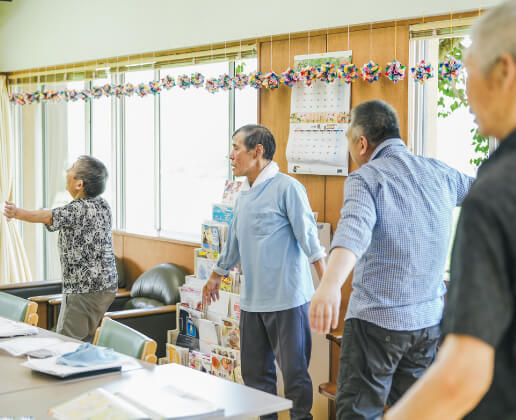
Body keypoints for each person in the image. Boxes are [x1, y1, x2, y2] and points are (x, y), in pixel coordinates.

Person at [384, 3, 516, 419]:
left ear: (504, 72)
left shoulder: (496, 193)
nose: (463, 90)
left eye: (467, 71)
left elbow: (464, 373)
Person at [309, 100, 474, 420]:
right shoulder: (440, 173)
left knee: (358, 414)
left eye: (348, 139)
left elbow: (352, 233)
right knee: (417, 413)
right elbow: (485, 192)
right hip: (427, 324)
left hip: (376, 324)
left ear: (361, 143)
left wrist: (329, 285)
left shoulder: (367, 177)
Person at [203, 124, 326, 420]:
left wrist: (326, 288)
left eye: (236, 148)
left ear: (257, 152)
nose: (231, 155)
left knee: (295, 376)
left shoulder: (288, 187)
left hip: (288, 299)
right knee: (256, 377)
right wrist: (216, 275)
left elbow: (311, 241)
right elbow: (234, 239)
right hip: (252, 301)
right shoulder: (244, 193)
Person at [4, 155, 118, 342]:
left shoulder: (78, 209)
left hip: (84, 288)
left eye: (72, 168)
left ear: (79, 184)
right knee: (86, 340)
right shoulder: (103, 204)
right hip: (106, 287)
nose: (67, 172)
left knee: (66, 342)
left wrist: (16, 213)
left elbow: (49, 216)